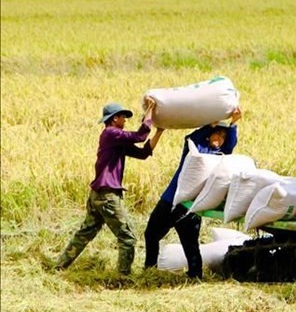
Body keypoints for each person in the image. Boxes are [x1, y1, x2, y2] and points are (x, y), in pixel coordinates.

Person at [55, 98, 164, 275]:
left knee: (85, 233)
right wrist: (149, 112)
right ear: (114, 119)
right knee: (127, 237)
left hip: (98, 195)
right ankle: (123, 277)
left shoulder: (117, 142)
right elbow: (139, 136)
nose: (125, 120)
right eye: (123, 117)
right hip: (107, 196)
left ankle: (60, 266)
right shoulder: (110, 133)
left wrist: (159, 131)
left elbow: (143, 153)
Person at [144, 108, 242, 279]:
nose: (220, 140)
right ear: (209, 135)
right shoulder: (196, 149)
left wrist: (233, 124)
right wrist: (208, 126)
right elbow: (190, 138)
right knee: (153, 235)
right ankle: (152, 269)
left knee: (189, 243)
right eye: (217, 135)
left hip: (184, 204)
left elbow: (230, 144)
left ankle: (193, 275)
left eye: (223, 137)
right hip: (178, 202)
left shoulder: (220, 156)